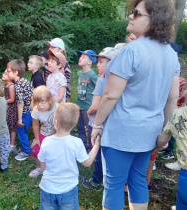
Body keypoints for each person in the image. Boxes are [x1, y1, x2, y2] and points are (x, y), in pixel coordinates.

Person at [91, 0, 179, 209]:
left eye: (137, 14)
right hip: (150, 132)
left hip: (122, 131)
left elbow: (111, 95)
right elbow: (172, 99)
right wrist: (164, 133)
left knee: (113, 184)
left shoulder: (131, 51)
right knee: (138, 180)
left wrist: (97, 125)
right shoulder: (170, 54)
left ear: (154, 19)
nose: (131, 16)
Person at [38, 103, 101, 209]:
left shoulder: (46, 141)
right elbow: (87, 162)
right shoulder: (76, 142)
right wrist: (97, 145)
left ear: (55, 122)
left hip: (47, 189)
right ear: (74, 124)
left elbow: (42, 163)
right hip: (68, 190)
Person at [81, 47, 119, 190]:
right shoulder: (119, 82)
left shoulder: (102, 81)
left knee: (98, 151)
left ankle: (96, 181)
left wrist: (88, 112)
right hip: (111, 122)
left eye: (101, 62)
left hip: (97, 122)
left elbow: (96, 106)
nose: (97, 65)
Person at [155, 106, 187, 210]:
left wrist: (156, 147)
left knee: (182, 204)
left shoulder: (178, 113)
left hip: (185, 176)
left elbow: (162, 139)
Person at [6, 59, 33, 161]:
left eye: (8, 71)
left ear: (15, 72)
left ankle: (26, 151)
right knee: (22, 131)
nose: (7, 73)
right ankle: (24, 148)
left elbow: (20, 103)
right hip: (30, 111)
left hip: (26, 113)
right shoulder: (23, 81)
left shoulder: (18, 86)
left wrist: (19, 119)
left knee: (21, 130)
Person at [29, 86, 58, 177]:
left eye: (43, 102)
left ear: (49, 100)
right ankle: (39, 168)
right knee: (35, 149)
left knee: (54, 152)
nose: (40, 105)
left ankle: (54, 168)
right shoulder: (36, 110)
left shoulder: (57, 107)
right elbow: (35, 124)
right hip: (44, 133)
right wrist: (37, 139)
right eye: (38, 102)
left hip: (57, 134)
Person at [76, 49, 98, 152]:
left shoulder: (92, 75)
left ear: (90, 62)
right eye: (81, 56)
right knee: (80, 127)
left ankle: (90, 148)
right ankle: (83, 146)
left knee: (88, 128)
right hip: (79, 106)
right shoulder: (80, 73)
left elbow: (99, 87)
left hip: (88, 107)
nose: (80, 58)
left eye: (84, 57)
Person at [44, 38, 72, 102]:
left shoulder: (65, 65)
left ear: (60, 50)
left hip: (57, 103)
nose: (50, 48)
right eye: (50, 46)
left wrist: (67, 102)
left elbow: (67, 84)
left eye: (53, 47)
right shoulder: (48, 63)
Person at [2, 69, 18, 153]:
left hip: (12, 110)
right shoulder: (6, 85)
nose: (3, 74)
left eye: (5, 73)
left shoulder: (11, 86)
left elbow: (12, 99)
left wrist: (2, 101)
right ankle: (8, 141)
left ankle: (12, 145)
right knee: (7, 125)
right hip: (7, 108)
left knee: (12, 127)